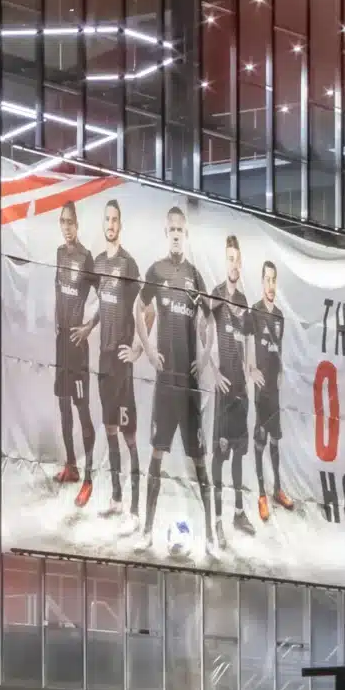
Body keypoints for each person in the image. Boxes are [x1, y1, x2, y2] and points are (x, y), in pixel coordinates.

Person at [137, 203, 217, 556]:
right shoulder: (156, 271)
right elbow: (138, 309)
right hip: (165, 387)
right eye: (171, 229)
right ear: (165, 233)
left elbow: (209, 320)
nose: (175, 235)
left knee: (200, 462)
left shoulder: (194, 277)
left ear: (186, 235)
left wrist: (204, 353)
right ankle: (145, 530)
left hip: (189, 389)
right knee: (155, 455)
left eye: (180, 230)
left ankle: (212, 537)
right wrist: (149, 351)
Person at [86, 198, 142, 519]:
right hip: (103, 361)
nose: (110, 224)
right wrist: (89, 324)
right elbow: (101, 305)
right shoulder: (98, 264)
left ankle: (135, 505)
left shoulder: (129, 265)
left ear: (121, 225)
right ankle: (117, 499)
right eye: (106, 219)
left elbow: (144, 309)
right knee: (108, 428)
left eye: (115, 219)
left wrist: (136, 349)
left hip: (122, 363)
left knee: (128, 432)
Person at [208, 235, 256, 536]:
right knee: (219, 454)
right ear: (224, 261)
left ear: (242, 263)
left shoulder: (245, 303)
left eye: (237, 258)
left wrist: (250, 374)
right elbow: (202, 332)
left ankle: (238, 513)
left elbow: (248, 342)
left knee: (239, 452)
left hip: (241, 392)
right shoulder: (215, 296)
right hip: (223, 392)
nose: (234, 264)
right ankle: (216, 520)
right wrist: (213, 370)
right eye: (229, 258)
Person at [49, 201, 97, 500]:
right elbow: (58, 290)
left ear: (78, 225)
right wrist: (57, 323)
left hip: (79, 348)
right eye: (62, 222)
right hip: (61, 343)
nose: (67, 227)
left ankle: (89, 477)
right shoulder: (58, 254)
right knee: (63, 405)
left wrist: (89, 326)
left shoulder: (86, 257)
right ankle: (71, 465)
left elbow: (105, 295)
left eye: (71, 222)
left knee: (82, 409)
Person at [250, 258, 297, 519]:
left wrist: (278, 372)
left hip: (274, 390)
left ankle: (278, 489)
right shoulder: (254, 312)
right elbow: (246, 342)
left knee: (276, 439)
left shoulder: (279, 316)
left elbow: (278, 350)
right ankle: (260, 495)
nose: (271, 285)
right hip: (259, 392)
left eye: (274, 280)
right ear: (261, 282)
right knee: (259, 440)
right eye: (267, 279)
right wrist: (250, 367)